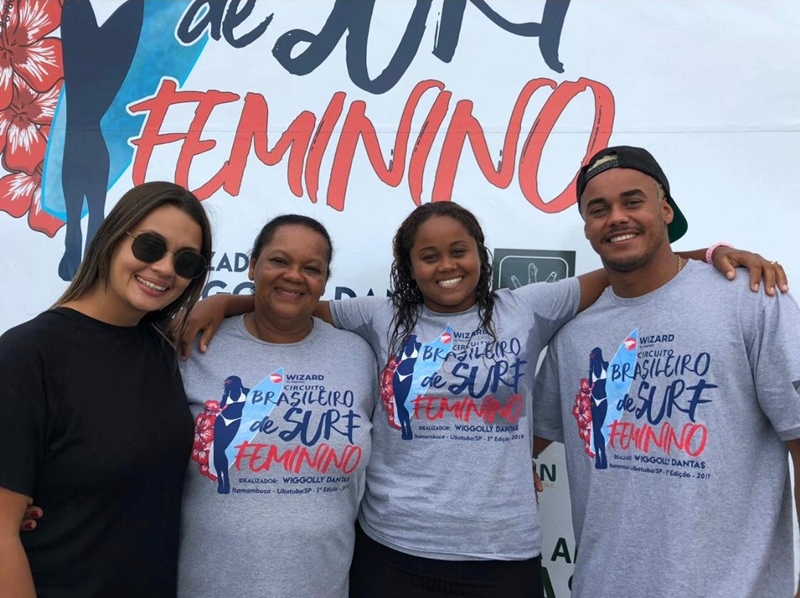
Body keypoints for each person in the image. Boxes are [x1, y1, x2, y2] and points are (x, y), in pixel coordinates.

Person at [179, 198, 785, 597]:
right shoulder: (379, 317)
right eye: (429, 255)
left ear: (480, 255)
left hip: (503, 556)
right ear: (408, 268)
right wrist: (224, 301)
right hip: (393, 552)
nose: (447, 265)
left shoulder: (530, 308)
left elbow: (630, 266)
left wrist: (707, 254)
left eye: (459, 250)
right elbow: (295, 300)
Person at [533, 145, 800, 597]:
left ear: (665, 209)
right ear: (587, 228)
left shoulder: (751, 300)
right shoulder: (574, 335)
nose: (616, 217)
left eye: (632, 201)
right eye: (598, 209)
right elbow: (519, 442)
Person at [0, 181, 212, 597]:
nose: (166, 269)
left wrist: (226, 303)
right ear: (113, 238)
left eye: (187, 262)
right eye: (150, 246)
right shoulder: (27, 355)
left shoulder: (164, 351)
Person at [176, 215, 377, 598]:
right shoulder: (196, 345)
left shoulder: (358, 356)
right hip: (208, 585)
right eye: (279, 261)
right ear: (253, 265)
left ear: (324, 280)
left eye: (311, 268)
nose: (294, 276)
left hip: (322, 586)